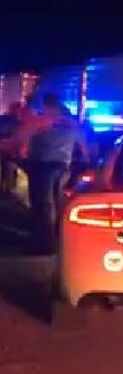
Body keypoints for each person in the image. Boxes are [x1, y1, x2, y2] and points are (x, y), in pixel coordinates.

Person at [25, 94, 88, 254]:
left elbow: (26, 136)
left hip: (43, 164)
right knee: (55, 202)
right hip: (62, 165)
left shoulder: (43, 119)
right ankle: (57, 239)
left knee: (44, 204)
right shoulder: (71, 123)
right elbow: (84, 144)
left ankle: (46, 244)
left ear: (48, 105)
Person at [0, 102, 24, 194]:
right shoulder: (18, 121)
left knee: (7, 166)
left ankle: (6, 187)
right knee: (9, 166)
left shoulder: (4, 119)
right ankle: (8, 188)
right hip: (10, 147)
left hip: (9, 147)